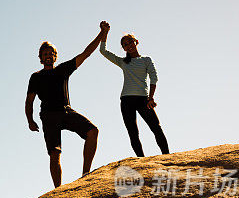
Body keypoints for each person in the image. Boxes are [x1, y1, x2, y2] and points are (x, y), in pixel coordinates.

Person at [25, 22, 107, 187]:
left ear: (55, 56)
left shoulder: (62, 69)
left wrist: (102, 33)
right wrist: (30, 120)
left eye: (51, 53)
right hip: (49, 115)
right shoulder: (36, 77)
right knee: (55, 153)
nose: (48, 55)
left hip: (66, 111)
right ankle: (58, 190)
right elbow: (29, 101)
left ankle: (85, 174)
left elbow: (86, 53)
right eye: (45, 53)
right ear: (41, 58)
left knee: (93, 131)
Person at [99, 23, 170, 157]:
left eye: (130, 42)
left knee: (156, 127)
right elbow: (103, 51)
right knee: (133, 132)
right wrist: (105, 32)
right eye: (125, 44)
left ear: (136, 42)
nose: (129, 45)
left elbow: (154, 78)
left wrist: (150, 97)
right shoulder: (123, 62)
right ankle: (141, 160)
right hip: (126, 100)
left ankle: (167, 156)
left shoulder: (146, 60)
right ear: (123, 48)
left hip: (143, 99)